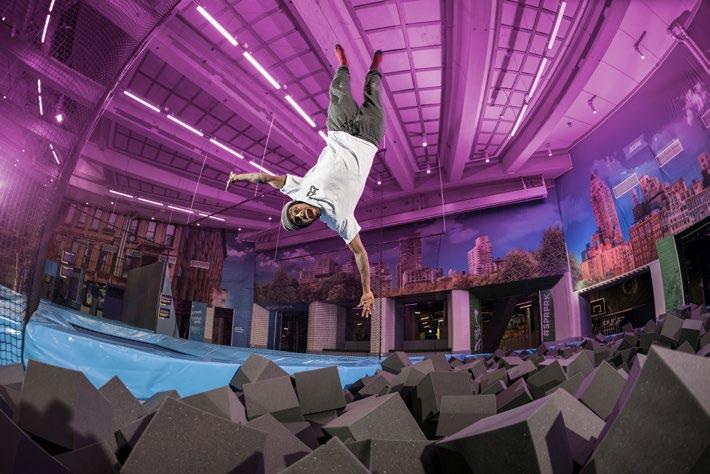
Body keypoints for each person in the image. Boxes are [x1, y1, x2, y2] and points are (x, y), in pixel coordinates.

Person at [226, 45, 384, 317]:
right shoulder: (337, 219)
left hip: (340, 130)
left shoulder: (298, 190)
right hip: (368, 139)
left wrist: (238, 177)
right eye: (300, 219)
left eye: (295, 211)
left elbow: (265, 178)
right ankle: (374, 71)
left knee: (338, 92)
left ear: (295, 204)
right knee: (374, 96)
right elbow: (359, 253)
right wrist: (367, 289)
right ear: (308, 222)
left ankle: (343, 66)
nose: (301, 214)